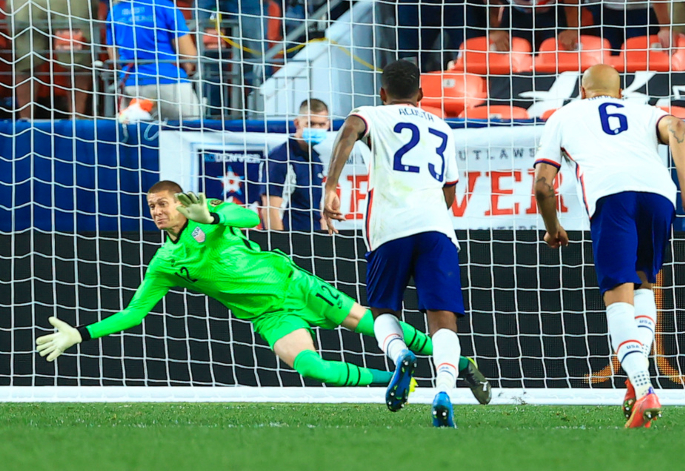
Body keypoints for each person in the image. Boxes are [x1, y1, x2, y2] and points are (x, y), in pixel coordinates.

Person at [36, 180, 490, 403]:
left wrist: (213, 217)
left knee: (377, 326)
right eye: (151, 206)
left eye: (163, 203)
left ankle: (461, 364)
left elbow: (251, 218)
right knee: (315, 369)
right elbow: (134, 314)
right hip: (270, 316)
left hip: (295, 284)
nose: (156, 211)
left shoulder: (206, 213)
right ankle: (399, 381)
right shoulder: (164, 264)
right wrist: (81, 332)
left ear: (180, 202)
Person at [533, 64, 685, 428]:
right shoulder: (643, 111)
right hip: (660, 194)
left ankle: (645, 389)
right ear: (620, 94)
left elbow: (543, 186)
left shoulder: (564, 115)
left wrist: (553, 228)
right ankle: (636, 380)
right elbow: (677, 126)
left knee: (617, 297)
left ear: (583, 92)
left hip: (612, 195)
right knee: (644, 287)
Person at [322, 59, 466, 427]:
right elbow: (450, 189)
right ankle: (444, 390)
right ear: (421, 95)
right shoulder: (443, 127)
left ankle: (401, 354)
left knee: (383, 310)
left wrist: (331, 187)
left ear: (382, 93)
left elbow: (352, 128)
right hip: (437, 228)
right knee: (443, 320)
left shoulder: (373, 113)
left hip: (390, 226)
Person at [107, 0, 201, 122]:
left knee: (137, 141)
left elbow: (114, 57)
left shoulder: (116, 10)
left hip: (132, 85)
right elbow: (189, 55)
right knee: (192, 131)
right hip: (169, 83)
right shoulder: (165, 7)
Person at [259, 98, 330, 233]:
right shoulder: (280, 158)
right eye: (311, 123)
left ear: (328, 124)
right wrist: (280, 246)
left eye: (321, 124)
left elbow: (317, 207)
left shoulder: (316, 158)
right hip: (291, 241)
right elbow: (270, 210)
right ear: (297, 123)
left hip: (315, 239)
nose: (316, 129)